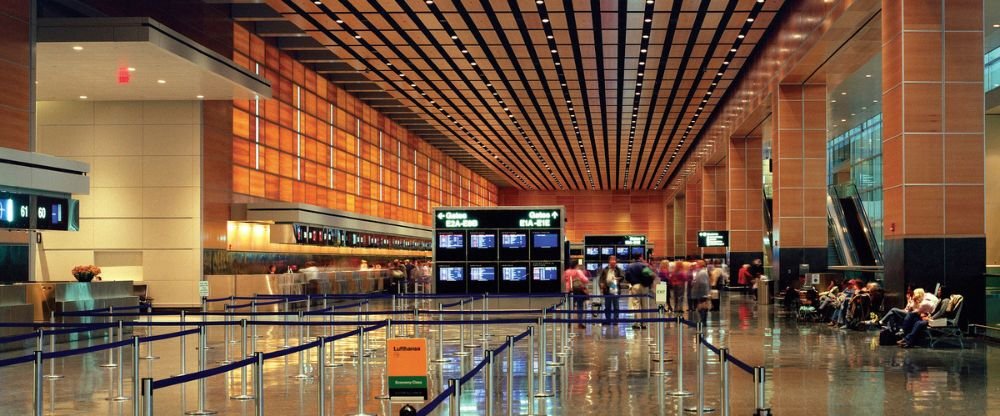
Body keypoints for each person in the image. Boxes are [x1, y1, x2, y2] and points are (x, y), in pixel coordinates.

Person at [624, 255, 653, 329]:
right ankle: (644, 324)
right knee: (644, 305)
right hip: (644, 286)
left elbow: (627, 276)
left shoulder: (630, 266)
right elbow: (651, 275)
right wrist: (648, 284)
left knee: (636, 304)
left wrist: (632, 282)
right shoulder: (644, 266)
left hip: (635, 286)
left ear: (634, 258)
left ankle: (636, 323)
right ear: (640, 258)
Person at [598, 256, 625, 325]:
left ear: (616, 261)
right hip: (607, 290)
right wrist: (601, 284)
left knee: (616, 306)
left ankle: (616, 320)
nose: (613, 261)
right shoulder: (605, 269)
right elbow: (601, 279)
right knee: (607, 306)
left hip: (615, 290)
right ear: (609, 261)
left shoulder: (618, 269)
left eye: (614, 260)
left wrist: (617, 279)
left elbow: (622, 277)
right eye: (611, 260)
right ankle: (608, 320)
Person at [564, 262, 589, 329]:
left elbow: (564, 279)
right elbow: (585, 280)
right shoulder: (578, 271)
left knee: (570, 307)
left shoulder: (567, 271)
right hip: (578, 291)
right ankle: (580, 323)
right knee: (580, 307)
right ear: (576, 265)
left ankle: (569, 323)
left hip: (569, 291)